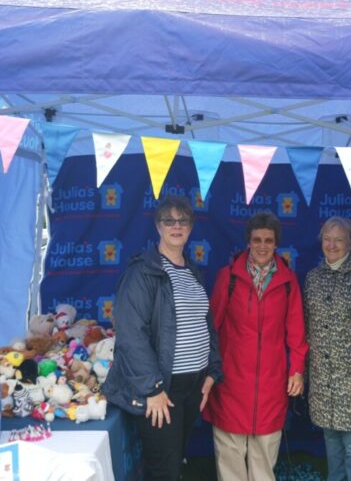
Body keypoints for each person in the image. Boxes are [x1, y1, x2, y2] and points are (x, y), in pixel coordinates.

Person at [102, 195, 222, 481]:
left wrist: (212, 371)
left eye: (183, 221)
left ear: (191, 227)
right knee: (163, 471)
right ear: (158, 226)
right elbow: (131, 335)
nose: (176, 226)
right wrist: (152, 388)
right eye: (169, 220)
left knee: (175, 460)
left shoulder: (192, 272)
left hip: (193, 386)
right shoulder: (143, 271)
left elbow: (206, 324)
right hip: (162, 390)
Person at [203, 211, 308, 481]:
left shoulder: (287, 282)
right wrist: (210, 373)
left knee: (264, 463)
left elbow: (296, 332)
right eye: (257, 239)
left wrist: (296, 370)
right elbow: (211, 329)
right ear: (248, 242)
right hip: (231, 383)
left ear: (276, 243)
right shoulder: (229, 278)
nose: (262, 246)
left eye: (269, 240)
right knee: (230, 463)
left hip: (271, 385)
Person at [304, 217, 351, 481]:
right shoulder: (313, 278)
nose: (332, 245)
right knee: (331, 443)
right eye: (327, 239)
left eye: (339, 239)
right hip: (323, 382)